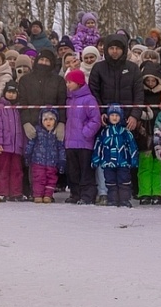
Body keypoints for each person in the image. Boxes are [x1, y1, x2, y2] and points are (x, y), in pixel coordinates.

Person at [63, 68, 101, 204]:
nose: (67, 85)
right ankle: (75, 194)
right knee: (73, 171)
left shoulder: (89, 99)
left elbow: (95, 119)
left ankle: (87, 195)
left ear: (78, 83)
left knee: (86, 171)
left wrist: (86, 133)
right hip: (70, 142)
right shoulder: (68, 100)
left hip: (84, 143)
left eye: (70, 82)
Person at [92, 104, 138, 207]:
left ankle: (124, 200)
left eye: (117, 115)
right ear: (108, 116)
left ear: (121, 117)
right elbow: (98, 146)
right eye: (112, 115)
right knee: (110, 182)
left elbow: (132, 146)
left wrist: (134, 159)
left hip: (123, 162)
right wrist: (96, 159)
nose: (114, 117)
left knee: (124, 182)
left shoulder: (125, 132)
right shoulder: (104, 132)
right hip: (108, 163)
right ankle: (112, 200)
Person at [0, 82, 25, 201]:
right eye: (9, 92)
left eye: (13, 92)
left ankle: (16, 192)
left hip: (16, 145)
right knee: (3, 170)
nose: (11, 95)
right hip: (4, 146)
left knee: (16, 170)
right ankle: (2, 191)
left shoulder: (19, 108)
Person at [24, 108, 65, 202]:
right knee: (39, 178)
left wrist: (62, 161)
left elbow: (61, 148)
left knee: (51, 179)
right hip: (38, 161)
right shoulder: (37, 131)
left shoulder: (56, 133)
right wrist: (27, 155)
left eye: (51, 119)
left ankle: (48, 195)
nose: (48, 122)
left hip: (52, 162)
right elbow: (31, 144)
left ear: (55, 121)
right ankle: (38, 195)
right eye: (45, 119)